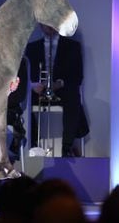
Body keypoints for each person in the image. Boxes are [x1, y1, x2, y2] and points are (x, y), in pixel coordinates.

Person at [25, 23, 89, 157]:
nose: (49, 26)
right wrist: (34, 85)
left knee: (73, 95)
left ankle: (66, 147)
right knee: (23, 99)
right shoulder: (32, 47)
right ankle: (32, 145)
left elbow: (78, 76)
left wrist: (59, 83)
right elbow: (26, 75)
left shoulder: (72, 46)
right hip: (39, 89)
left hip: (62, 89)